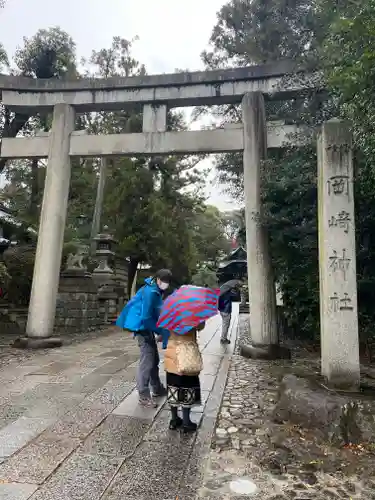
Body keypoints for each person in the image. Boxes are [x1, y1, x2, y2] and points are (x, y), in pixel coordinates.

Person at [116, 269, 172, 408]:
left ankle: (157, 388)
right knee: (147, 360)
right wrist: (160, 331)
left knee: (153, 359)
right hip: (141, 327)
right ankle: (144, 395)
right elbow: (146, 318)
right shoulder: (151, 292)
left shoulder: (153, 288)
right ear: (158, 279)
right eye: (163, 281)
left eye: (167, 282)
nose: (165, 284)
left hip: (145, 327)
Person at [164, 322, 205, 433]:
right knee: (188, 386)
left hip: (172, 352)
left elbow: (165, 329)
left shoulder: (170, 311)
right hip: (187, 354)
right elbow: (201, 326)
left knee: (173, 387)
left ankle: (174, 419)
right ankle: (186, 423)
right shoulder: (192, 313)